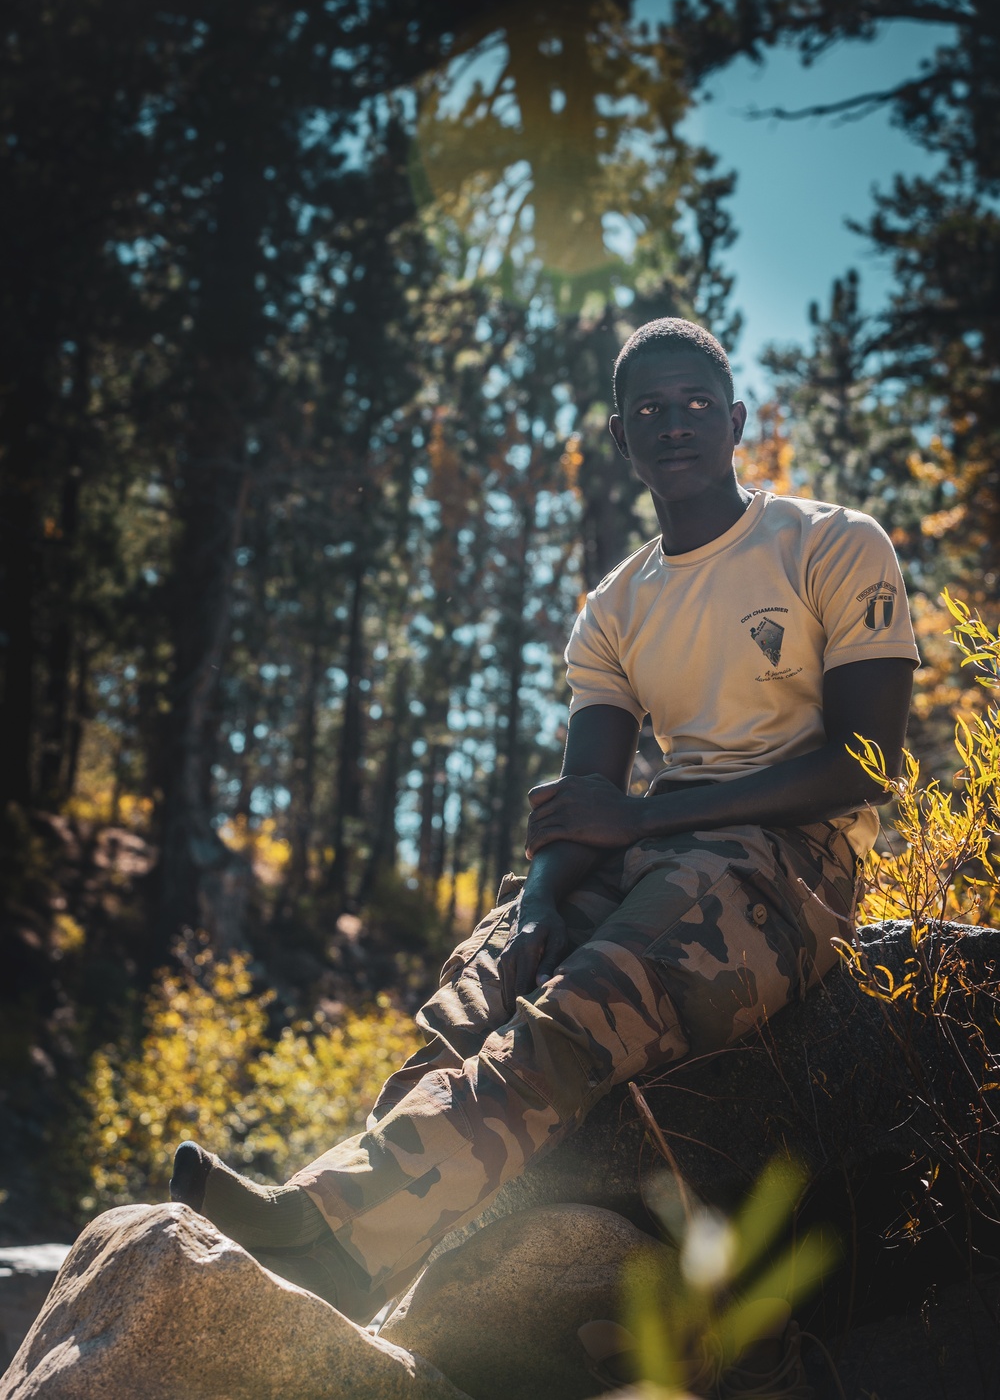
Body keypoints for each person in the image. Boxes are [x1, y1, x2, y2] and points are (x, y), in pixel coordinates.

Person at [171, 317, 918, 1339]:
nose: (675, 425)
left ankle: (326, 1232)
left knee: (579, 1013)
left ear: (737, 420)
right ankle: (330, 1249)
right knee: (475, 998)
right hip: (655, 847)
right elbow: (585, 796)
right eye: (648, 411)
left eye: (697, 405)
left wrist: (646, 820)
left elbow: (860, 765)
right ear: (620, 439)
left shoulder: (830, 542)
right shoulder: (614, 607)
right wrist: (538, 904)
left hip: (792, 860)